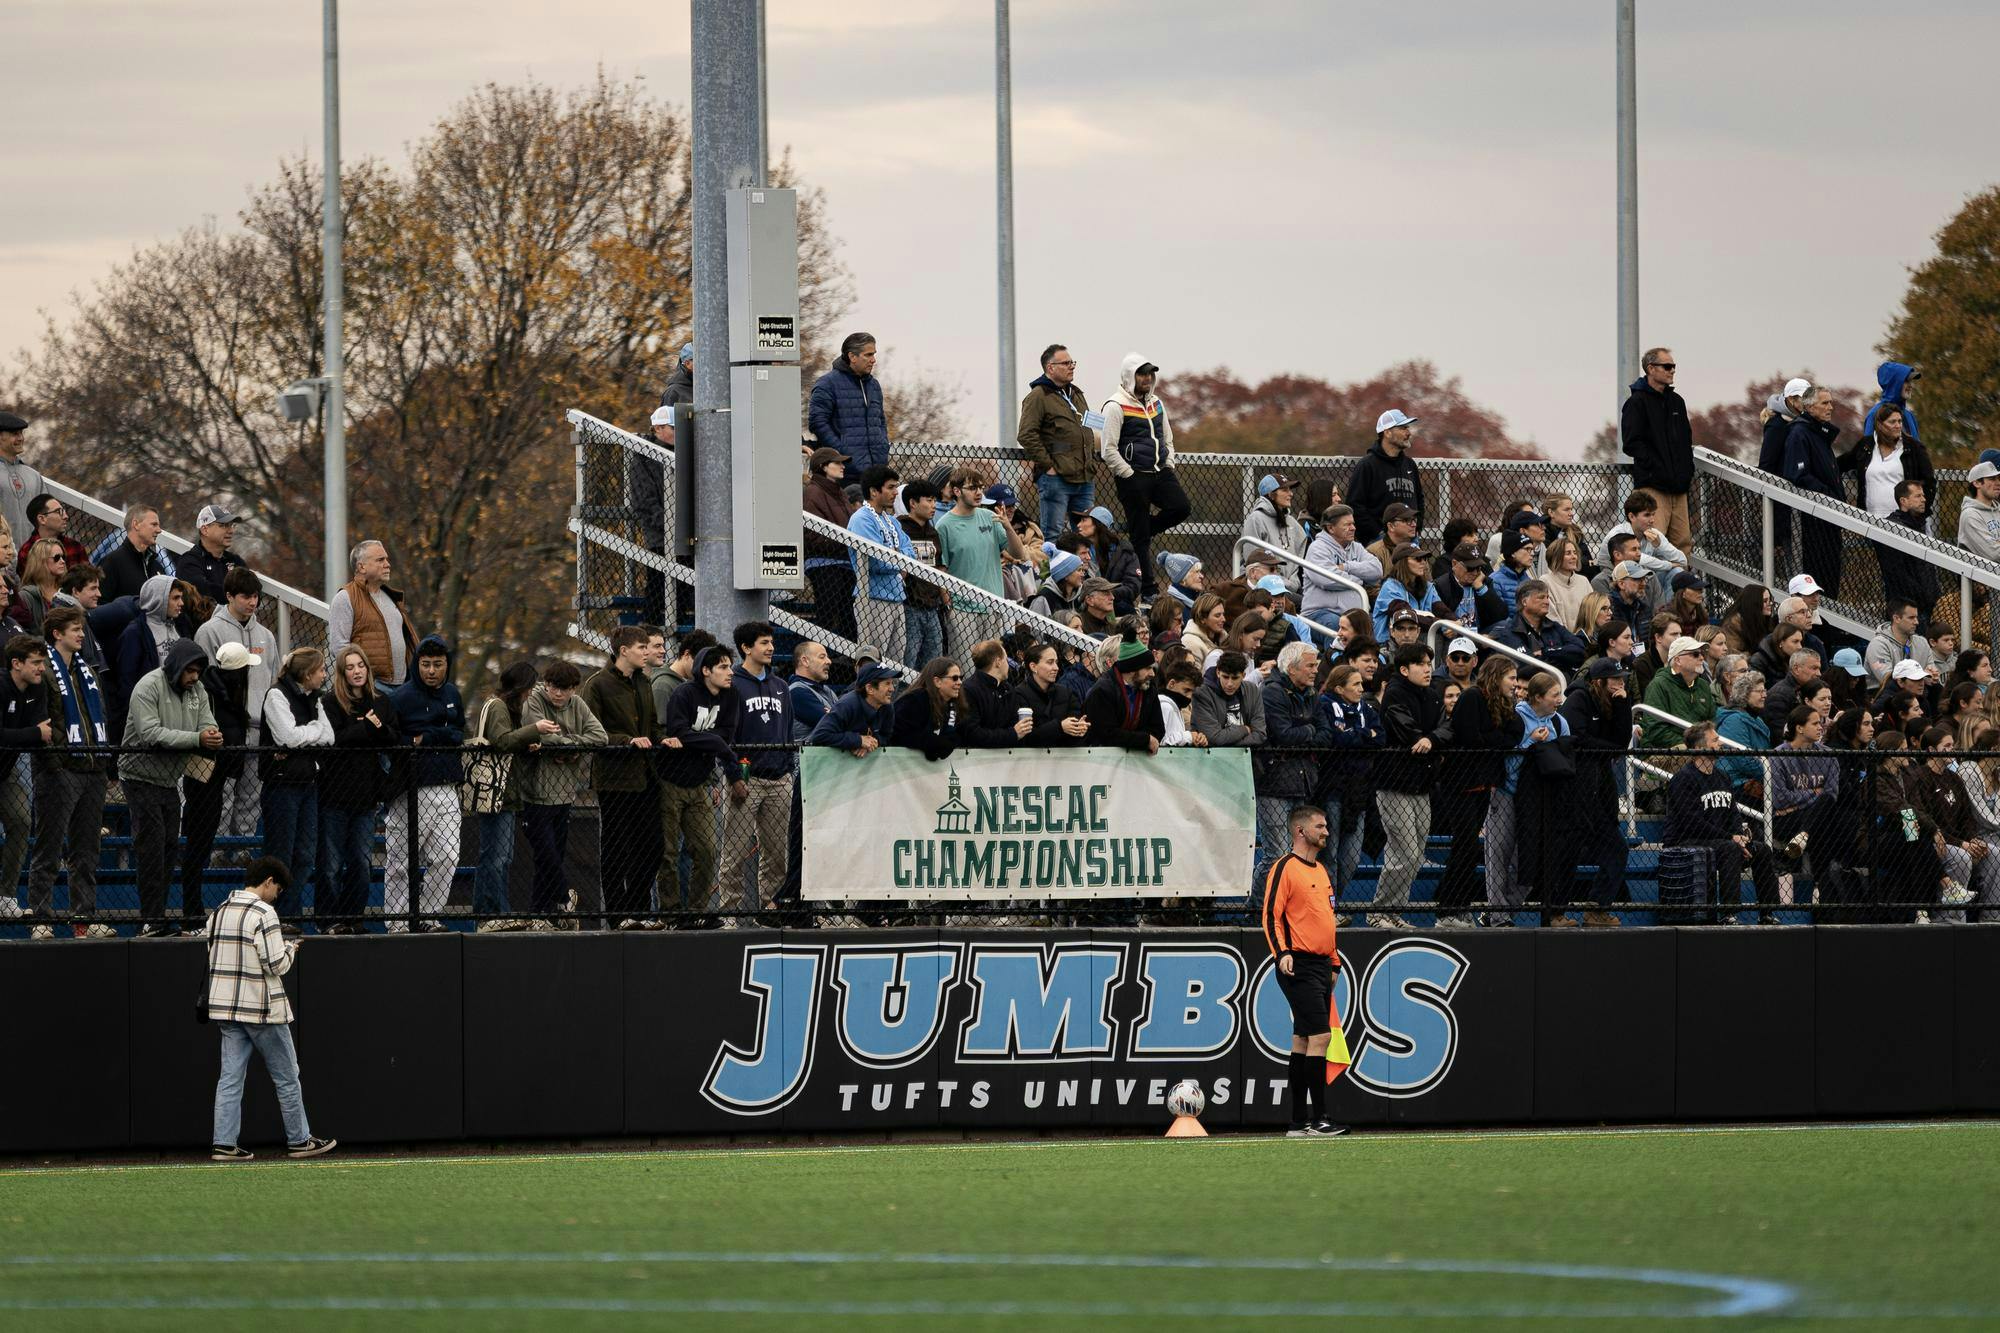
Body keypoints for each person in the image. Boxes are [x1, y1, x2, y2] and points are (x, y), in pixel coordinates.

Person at [205, 857, 336, 1161]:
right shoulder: (265, 913)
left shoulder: (219, 911)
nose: (277, 894)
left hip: (226, 1008)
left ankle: (224, 1143)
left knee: (230, 1078)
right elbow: (275, 964)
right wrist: (291, 949)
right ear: (268, 881)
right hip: (263, 1009)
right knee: (287, 1076)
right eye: (277, 887)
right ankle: (300, 1140)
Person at [1261, 805, 1349, 1138]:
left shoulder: (1322, 871)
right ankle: (1320, 1119)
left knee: (1301, 1040)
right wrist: (1281, 952)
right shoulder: (1285, 868)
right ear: (1301, 831)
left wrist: (1335, 960)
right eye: (1320, 826)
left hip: (1322, 964)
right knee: (1321, 1037)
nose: (1326, 831)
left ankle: (1298, 1122)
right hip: (1296, 963)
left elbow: (1326, 919)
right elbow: (1270, 915)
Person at [21, 610, 109, 938]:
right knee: (48, 847)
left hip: (91, 768)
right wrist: (55, 764)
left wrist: (100, 764)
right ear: (57, 633)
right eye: (75, 629)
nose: (82, 635)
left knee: (87, 850)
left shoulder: (88, 670)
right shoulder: (44, 672)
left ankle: (83, 918)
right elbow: (43, 720)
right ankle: (40, 918)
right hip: (58, 770)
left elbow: (99, 716)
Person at [125, 640, 221, 937]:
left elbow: (208, 724)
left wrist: (210, 735)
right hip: (139, 775)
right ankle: (150, 918)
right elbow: (151, 733)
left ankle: (157, 916)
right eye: (189, 671)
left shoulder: (198, 690)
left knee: (168, 847)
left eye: (198, 671)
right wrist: (197, 739)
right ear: (177, 667)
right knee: (152, 846)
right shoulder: (148, 686)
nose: (194, 677)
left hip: (169, 779)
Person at [582, 625, 664, 929]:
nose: (648, 652)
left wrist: (662, 739)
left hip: (646, 776)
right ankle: (619, 916)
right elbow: (590, 733)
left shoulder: (644, 682)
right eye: (642, 647)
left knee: (653, 847)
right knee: (617, 849)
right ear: (623, 650)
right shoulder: (597, 685)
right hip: (615, 779)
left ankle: (637, 912)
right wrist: (625, 741)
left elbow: (652, 725)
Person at [380, 636, 465, 932]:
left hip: (447, 786)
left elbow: (457, 733)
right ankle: (397, 920)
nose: (431, 671)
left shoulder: (453, 693)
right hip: (410, 788)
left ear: (446, 666)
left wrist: (427, 737)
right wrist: (423, 738)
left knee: (448, 856)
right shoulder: (401, 698)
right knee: (401, 861)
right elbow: (391, 739)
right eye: (426, 664)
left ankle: (428, 915)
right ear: (417, 665)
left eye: (438, 665)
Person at [514, 660, 605, 928]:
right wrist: (571, 745)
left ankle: (539, 913)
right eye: (553, 687)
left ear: (573, 690)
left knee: (553, 855)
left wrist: (567, 745)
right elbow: (539, 736)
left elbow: (599, 736)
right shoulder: (534, 700)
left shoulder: (577, 705)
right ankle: (565, 897)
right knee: (545, 852)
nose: (557, 694)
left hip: (565, 793)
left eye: (564, 690)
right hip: (535, 793)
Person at [1434, 656, 1522, 928]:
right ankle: (1446, 910)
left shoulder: (1504, 703)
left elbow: (1514, 734)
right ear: (1496, 677)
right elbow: (1471, 738)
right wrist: (1494, 739)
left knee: (1469, 847)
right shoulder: (1472, 697)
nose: (1516, 684)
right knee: (1465, 845)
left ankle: (1459, 908)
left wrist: (1491, 739)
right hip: (1459, 783)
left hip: (1483, 784)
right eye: (1511, 678)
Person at [314, 646, 397, 933]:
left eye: (361, 664)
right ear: (342, 672)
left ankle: (353, 919)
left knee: (361, 864)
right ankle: (328, 921)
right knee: (331, 865)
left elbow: (391, 738)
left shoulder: (381, 701)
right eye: (350, 667)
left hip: (366, 798)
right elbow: (333, 740)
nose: (357, 671)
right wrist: (367, 730)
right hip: (334, 795)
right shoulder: (329, 703)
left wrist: (377, 730)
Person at [1667, 722, 1784, 924]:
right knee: (1730, 848)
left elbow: (1733, 813)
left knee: (1762, 850)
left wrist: (1740, 836)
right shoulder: (1683, 779)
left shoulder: (1722, 776)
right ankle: (1729, 914)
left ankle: (1767, 912)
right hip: (1687, 839)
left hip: (1722, 840)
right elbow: (1691, 822)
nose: (1720, 743)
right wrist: (1731, 838)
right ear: (1698, 748)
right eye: (1714, 740)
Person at [195, 566, 279, 846]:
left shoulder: (266, 636)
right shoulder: (209, 631)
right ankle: (217, 852)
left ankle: (242, 851)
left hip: (258, 729)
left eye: (256, 596)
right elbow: (203, 682)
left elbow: (274, 678)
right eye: (246, 596)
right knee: (224, 793)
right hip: (224, 729)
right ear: (229, 596)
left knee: (251, 798)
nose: (253, 603)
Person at [657, 645, 740, 921]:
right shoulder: (685, 693)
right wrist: (714, 742)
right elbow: (678, 731)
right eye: (723, 667)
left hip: (701, 782)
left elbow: (726, 736)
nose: (730, 673)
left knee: (706, 850)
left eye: (730, 666)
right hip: (670, 781)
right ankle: (671, 913)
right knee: (667, 853)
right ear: (706, 670)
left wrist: (706, 742)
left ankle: (697, 911)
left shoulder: (731, 697)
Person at [1094, 356, 1188, 588]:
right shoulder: (1114, 405)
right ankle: (1147, 588)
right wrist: (1128, 474)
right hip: (1132, 477)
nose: (1147, 378)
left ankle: (1143, 529)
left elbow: (1168, 436)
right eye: (1141, 373)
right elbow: (1108, 449)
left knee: (1181, 507)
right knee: (1141, 541)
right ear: (1129, 376)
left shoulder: (1157, 402)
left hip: (1159, 471)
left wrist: (1169, 463)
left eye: (1150, 373)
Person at [180, 641, 256, 924]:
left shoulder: (228, 694)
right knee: (198, 843)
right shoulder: (209, 693)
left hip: (218, 775)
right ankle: (191, 907)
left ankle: (194, 906)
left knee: (204, 840)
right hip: (203, 776)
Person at [1373, 642, 1448, 928]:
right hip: (1394, 784)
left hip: (1422, 784)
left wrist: (1432, 739)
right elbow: (1406, 732)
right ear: (1404, 670)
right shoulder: (1394, 693)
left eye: (1429, 663)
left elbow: (1446, 726)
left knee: (1416, 853)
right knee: (1403, 850)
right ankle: (1380, 912)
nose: (1428, 669)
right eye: (1420, 664)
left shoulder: (1431, 694)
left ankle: (1394, 912)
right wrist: (1428, 737)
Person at [259, 647, 333, 925]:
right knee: (281, 854)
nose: (325, 675)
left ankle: (289, 915)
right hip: (281, 786)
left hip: (308, 785)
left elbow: (329, 736)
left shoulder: (316, 698)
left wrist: (301, 739)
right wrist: (308, 736)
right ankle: (273, 916)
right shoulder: (277, 694)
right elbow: (286, 736)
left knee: (304, 855)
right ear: (306, 674)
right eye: (321, 670)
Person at [1561, 655, 1635, 927]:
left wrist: (1622, 703)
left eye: (1622, 679)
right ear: (1599, 682)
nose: (1619, 684)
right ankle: (1555, 911)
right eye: (1615, 680)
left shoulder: (1613, 700)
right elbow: (1577, 738)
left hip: (1601, 783)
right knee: (1569, 848)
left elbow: (1621, 739)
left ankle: (1597, 907)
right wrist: (1609, 749)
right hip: (1576, 787)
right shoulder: (1579, 698)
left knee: (1618, 848)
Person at [1254, 642, 1328, 903]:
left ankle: (1284, 907)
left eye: (1316, 665)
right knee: (1276, 853)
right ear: (1292, 668)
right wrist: (1309, 731)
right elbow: (1284, 735)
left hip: (1303, 780)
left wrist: (1304, 732)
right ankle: (1256, 909)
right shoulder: (1272, 693)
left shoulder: (1311, 694)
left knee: (1297, 854)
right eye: (1310, 665)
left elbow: (1326, 734)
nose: (1315, 671)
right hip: (1274, 783)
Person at [935, 467, 1025, 648]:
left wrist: (1008, 528)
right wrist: (950, 606)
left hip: (994, 606)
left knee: (992, 669)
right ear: (957, 491)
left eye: (981, 488)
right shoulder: (944, 525)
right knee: (966, 668)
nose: (979, 493)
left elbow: (1018, 554)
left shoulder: (990, 516)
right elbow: (941, 569)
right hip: (963, 609)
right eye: (972, 488)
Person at [1018, 344, 1098, 535]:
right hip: (1056, 479)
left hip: (1084, 477)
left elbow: (1084, 429)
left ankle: (1083, 567)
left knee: (1087, 535)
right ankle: (1048, 567)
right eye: (1066, 363)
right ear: (1050, 368)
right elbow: (1026, 434)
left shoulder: (1076, 394)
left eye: (1072, 363)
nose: (1071, 366)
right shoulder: (1038, 396)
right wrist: (1049, 467)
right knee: (1052, 534)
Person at [1620, 347, 1694, 549]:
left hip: (1678, 488)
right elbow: (1631, 442)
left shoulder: (1677, 402)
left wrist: (1686, 472)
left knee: (1682, 544)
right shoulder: (1636, 402)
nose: (1672, 371)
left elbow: (1686, 440)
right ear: (1651, 368)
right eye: (1667, 366)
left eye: (1674, 367)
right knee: (1654, 542)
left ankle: (1680, 582)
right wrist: (1655, 469)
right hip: (1653, 488)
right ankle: (1653, 582)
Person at [846, 464, 916, 665]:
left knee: (896, 663)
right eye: (891, 487)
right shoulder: (861, 519)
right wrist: (899, 561)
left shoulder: (892, 521)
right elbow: (877, 561)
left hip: (896, 597)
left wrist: (897, 557)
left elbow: (910, 553)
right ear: (874, 491)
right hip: (872, 597)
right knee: (874, 662)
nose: (896, 492)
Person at [1783, 384, 1846, 599]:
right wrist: (1829, 495)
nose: (1831, 407)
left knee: (1831, 579)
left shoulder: (1819, 433)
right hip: (1813, 519)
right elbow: (1798, 474)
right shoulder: (1800, 433)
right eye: (1825, 403)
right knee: (1819, 580)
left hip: (1828, 516)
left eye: (1831, 402)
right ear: (1810, 407)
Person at [327, 540, 417, 687]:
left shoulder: (391, 597)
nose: (387, 564)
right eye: (380, 560)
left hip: (402, 686)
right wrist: (363, 683)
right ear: (361, 567)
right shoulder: (345, 597)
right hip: (371, 686)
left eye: (386, 559)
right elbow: (339, 647)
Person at [808, 331, 891, 471]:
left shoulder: (873, 385)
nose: (873, 360)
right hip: (845, 471)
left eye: (874, 354)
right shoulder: (827, 384)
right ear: (852, 356)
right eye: (868, 355)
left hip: (876, 471)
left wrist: (883, 445)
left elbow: (880, 421)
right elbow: (818, 423)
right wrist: (842, 451)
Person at [802, 447, 858, 642]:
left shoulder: (839, 492)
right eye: (837, 463)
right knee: (828, 617)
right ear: (823, 467)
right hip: (824, 564)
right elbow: (811, 535)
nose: (843, 466)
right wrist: (845, 544)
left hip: (844, 563)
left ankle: (844, 662)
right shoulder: (812, 492)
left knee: (848, 618)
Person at [1299, 502, 1382, 632]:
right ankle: (1334, 653)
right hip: (1320, 614)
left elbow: (1376, 571)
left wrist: (1347, 567)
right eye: (1347, 525)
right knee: (1338, 627)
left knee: (1379, 626)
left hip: (1354, 615)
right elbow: (1327, 579)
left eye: (1353, 523)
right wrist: (1359, 580)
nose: (1353, 528)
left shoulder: (1356, 547)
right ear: (1331, 528)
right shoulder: (1317, 548)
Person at [1349, 409, 1423, 546]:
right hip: (1379, 541)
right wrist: (1378, 533)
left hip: (1410, 540)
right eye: (1403, 428)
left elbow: (1419, 499)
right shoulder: (1367, 465)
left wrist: (1417, 527)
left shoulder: (1410, 465)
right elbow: (1355, 505)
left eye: (1408, 428)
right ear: (1387, 432)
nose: (1408, 433)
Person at [895, 478, 949, 666]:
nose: (933, 505)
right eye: (928, 500)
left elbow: (940, 567)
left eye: (935, 500)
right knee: (908, 660)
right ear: (913, 503)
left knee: (934, 660)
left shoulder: (933, 532)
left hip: (932, 606)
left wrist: (945, 599)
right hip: (908, 603)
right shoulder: (899, 528)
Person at [1641, 635, 1721, 748]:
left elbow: (1712, 723)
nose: (1702, 658)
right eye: (1695, 654)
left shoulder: (1703, 685)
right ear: (1678, 660)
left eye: (1702, 654)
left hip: (1700, 748)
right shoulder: (1658, 685)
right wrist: (1692, 746)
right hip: (1661, 751)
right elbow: (1656, 731)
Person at [1492, 579, 1588, 674]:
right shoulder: (1509, 632)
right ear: (1524, 602)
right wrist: (1562, 658)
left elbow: (1579, 650)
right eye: (1541, 597)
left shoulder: (1554, 627)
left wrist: (1546, 652)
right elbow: (1528, 666)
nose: (1547, 602)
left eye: (1547, 597)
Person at [1238, 474, 1307, 595]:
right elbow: (1253, 563)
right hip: (1264, 587)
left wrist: (1293, 583)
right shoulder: (1256, 519)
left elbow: (1298, 560)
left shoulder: (1292, 522)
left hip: (1292, 586)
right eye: (1284, 490)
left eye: (1290, 489)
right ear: (1270, 494)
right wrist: (1282, 583)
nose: (1290, 494)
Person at [97, 503, 175, 604]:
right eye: (154, 524)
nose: (159, 530)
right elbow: (99, 605)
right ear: (136, 524)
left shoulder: (157, 567)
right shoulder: (112, 562)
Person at [892, 656, 963, 760]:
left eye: (961, 677)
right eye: (955, 678)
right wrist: (932, 744)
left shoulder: (954, 704)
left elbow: (956, 736)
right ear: (937, 681)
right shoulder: (915, 700)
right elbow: (898, 733)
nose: (960, 682)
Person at [1075, 507, 1144, 615]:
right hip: (1088, 607)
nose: (1078, 525)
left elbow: (1132, 587)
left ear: (1098, 524)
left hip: (1117, 607)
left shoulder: (1125, 553)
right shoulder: (1077, 551)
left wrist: (1104, 594)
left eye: (1084, 520)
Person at [180, 504, 248, 609]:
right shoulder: (189, 561)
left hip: (236, 624)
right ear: (205, 530)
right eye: (223, 525)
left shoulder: (236, 561)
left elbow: (253, 591)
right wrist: (239, 596)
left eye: (232, 525)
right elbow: (204, 593)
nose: (231, 531)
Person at [1370, 545, 1443, 642]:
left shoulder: (1428, 587)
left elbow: (1442, 610)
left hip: (1417, 640)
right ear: (1403, 562)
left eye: (1424, 559)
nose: (1423, 563)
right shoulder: (1390, 588)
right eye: (1418, 559)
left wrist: (1454, 623)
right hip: (1389, 645)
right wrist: (1442, 625)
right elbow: (1407, 616)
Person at [1865, 596, 1937, 688]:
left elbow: (1929, 673)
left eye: (1916, 617)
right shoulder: (1878, 645)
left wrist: (1931, 676)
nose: (1916, 622)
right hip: (1884, 694)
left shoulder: (1922, 642)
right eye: (1911, 618)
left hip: (1915, 691)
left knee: (1936, 689)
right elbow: (1887, 680)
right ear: (1896, 618)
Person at [0, 416, 44, 544]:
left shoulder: (34, 476)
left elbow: (45, 516)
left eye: (21, 433)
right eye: (15, 434)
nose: (21, 438)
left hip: (30, 556)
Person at [1542, 537, 1591, 634]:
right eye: (1568, 553)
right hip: (1562, 641)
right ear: (1556, 557)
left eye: (1575, 553)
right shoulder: (1546, 581)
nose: (1574, 557)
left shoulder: (1584, 581)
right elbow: (1552, 618)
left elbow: (1592, 613)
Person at [1364, 503, 1420, 582]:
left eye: (1414, 520)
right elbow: (1372, 589)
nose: (1414, 524)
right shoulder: (1374, 552)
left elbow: (1428, 584)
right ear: (1391, 526)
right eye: (1407, 520)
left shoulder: (1417, 551)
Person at [1959, 458, 2000, 565]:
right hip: (1980, 579)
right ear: (1977, 483)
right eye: (1992, 479)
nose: (1998, 483)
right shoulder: (1970, 515)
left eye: (1998, 478)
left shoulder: (1998, 510)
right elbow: (1994, 554)